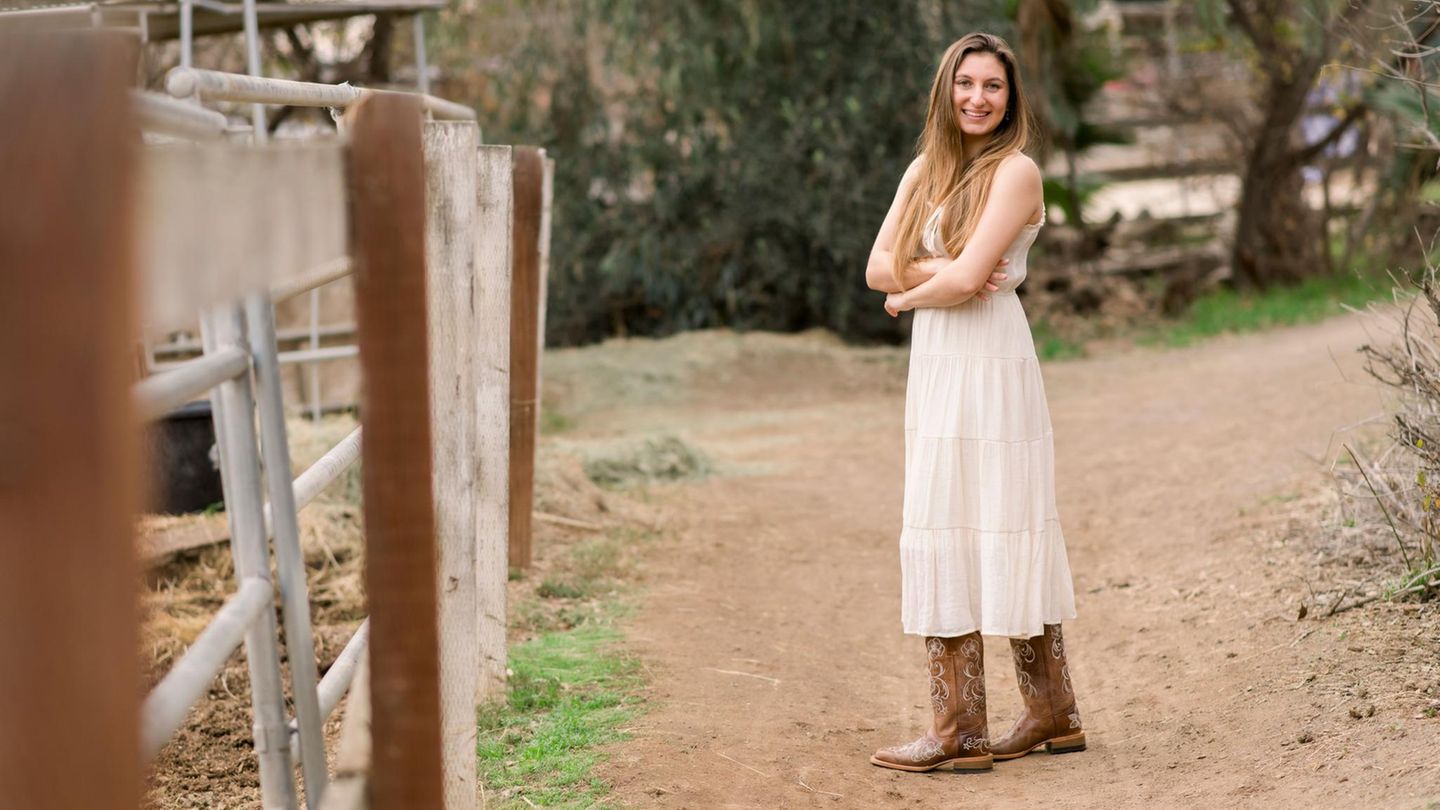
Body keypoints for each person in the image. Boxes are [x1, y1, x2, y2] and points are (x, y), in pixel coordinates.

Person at [863, 32, 1084, 773]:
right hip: (940, 362)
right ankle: (996, 718)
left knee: (1005, 514)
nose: (978, 99)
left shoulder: (1016, 171)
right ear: (946, 91)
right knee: (945, 513)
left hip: (990, 355)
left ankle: (1007, 721)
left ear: (1010, 98)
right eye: (966, 84)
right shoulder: (925, 169)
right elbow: (877, 267)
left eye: (993, 86)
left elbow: (966, 286)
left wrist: (914, 293)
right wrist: (933, 276)